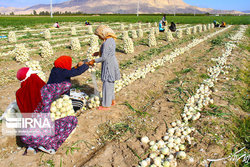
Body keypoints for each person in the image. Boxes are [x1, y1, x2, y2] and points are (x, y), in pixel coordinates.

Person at [16, 67, 78, 155]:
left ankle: (31, 147)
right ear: (33, 77)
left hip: (25, 137)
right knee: (72, 120)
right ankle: (48, 146)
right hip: (41, 136)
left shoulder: (19, 94)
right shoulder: (45, 90)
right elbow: (67, 85)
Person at [89, 25, 120, 111]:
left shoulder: (107, 42)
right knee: (111, 84)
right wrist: (97, 53)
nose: (99, 37)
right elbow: (107, 53)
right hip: (112, 63)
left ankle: (106, 105)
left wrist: (94, 61)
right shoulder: (111, 40)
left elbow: (104, 57)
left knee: (107, 84)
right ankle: (112, 100)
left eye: (99, 35)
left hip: (108, 65)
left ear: (103, 33)